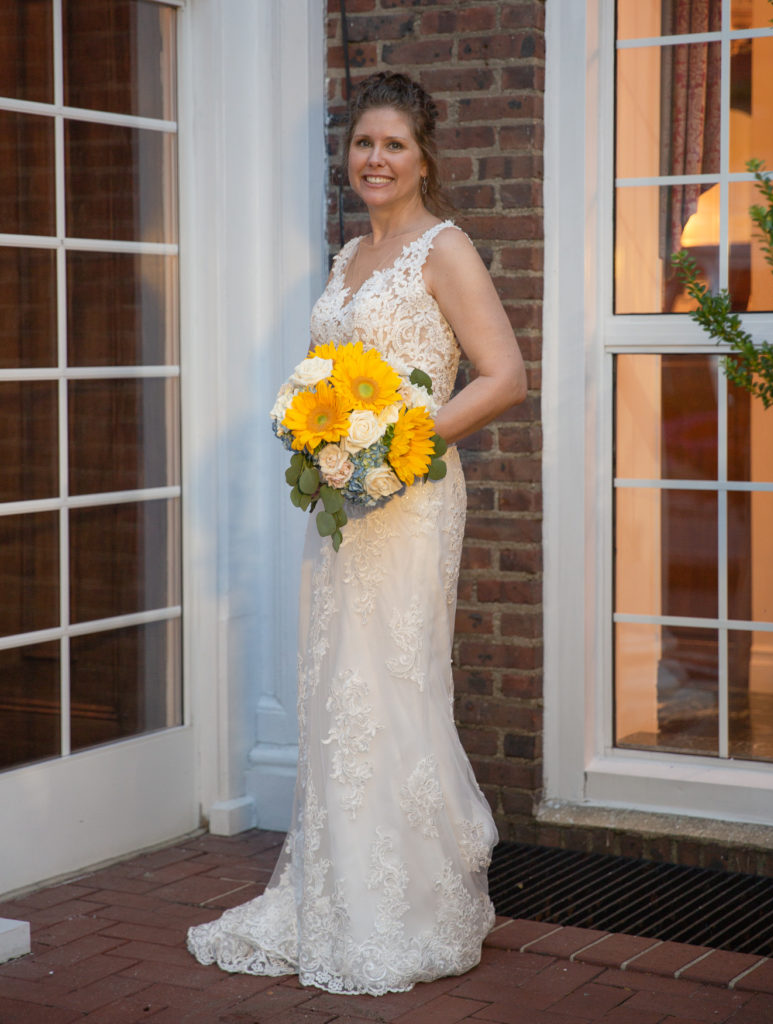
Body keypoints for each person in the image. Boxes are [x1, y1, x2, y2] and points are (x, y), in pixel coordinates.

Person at [187, 70, 527, 995]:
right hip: (344, 500)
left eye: (393, 145)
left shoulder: (443, 249)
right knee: (338, 687)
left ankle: (409, 910)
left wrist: (402, 444)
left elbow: (501, 376)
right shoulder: (348, 257)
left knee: (394, 684)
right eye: (362, 144)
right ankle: (333, 896)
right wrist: (322, 430)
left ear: (424, 158)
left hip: (411, 496)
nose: (374, 160)